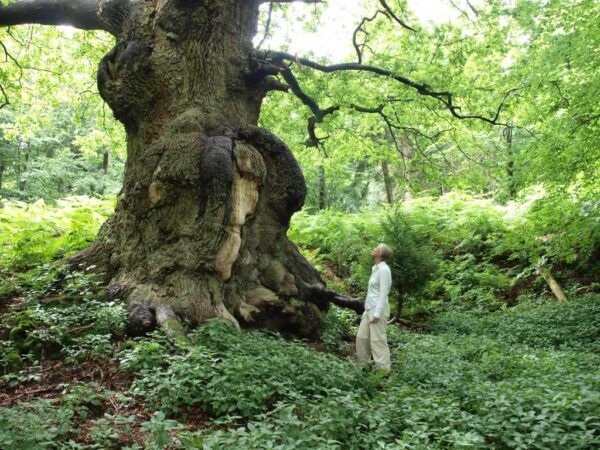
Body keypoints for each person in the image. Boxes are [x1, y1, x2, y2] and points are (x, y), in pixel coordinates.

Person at [356, 243, 392, 371]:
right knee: (361, 337)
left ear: (380, 254)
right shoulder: (375, 268)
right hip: (369, 308)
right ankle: (364, 367)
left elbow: (383, 293)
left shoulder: (384, 270)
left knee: (378, 341)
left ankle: (383, 372)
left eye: (377, 248)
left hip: (378, 309)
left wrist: (377, 313)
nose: (374, 248)